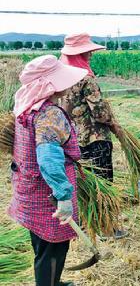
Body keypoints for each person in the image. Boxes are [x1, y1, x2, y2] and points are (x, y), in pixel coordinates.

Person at [9, 55, 88, 286]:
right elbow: (48, 159)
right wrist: (63, 196)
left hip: (29, 190)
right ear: (49, 85)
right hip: (48, 196)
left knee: (41, 246)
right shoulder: (49, 113)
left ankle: (52, 281)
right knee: (53, 249)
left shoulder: (26, 107)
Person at [59, 33, 127, 239]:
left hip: (74, 144)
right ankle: (107, 229)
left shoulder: (61, 78)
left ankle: (91, 227)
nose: (90, 56)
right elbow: (100, 113)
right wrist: (113, 122)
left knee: (86, 186)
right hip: (95, 140)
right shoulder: (85, 79)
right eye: (86, 52)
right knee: (103, 185)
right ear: (79, 54)